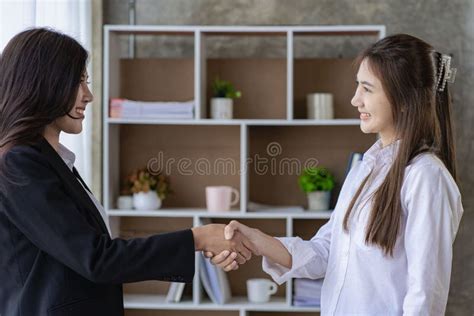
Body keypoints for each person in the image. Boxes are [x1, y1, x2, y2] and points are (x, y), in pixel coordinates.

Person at [0, 28, 254, 316]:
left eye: (87, 81)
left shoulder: (50, 161)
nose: (89, 96)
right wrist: (197, 237)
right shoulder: (19, 163)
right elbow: (97, 259)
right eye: (77, 82)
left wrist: (198, 239)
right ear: (42, 84)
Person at [207, 34, 464, 315]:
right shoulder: (365, 168)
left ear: (404, 100)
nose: (355, 100)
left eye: (367, 89)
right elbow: (325, 252)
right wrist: (257, 240)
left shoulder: (426, 178)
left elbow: (424, 296)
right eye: (357, 86)